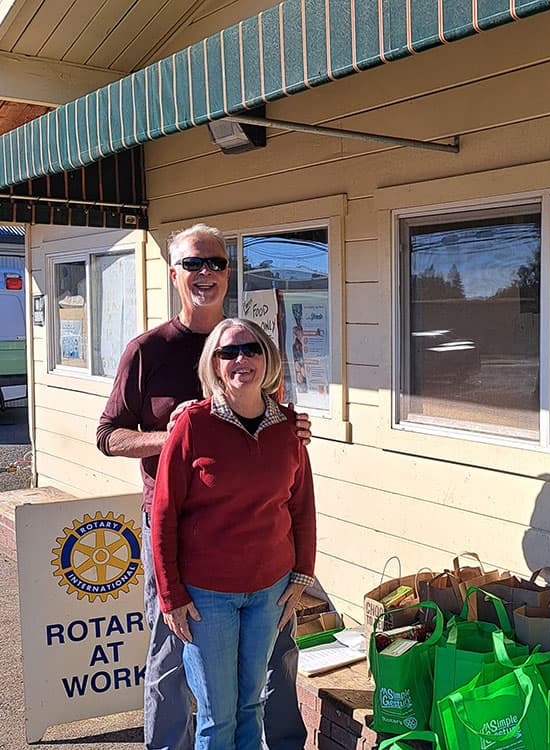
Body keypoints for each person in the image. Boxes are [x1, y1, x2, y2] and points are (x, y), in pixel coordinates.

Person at [96, 223, 311, 750]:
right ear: (174, 274)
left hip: (257, 541)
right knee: (173, 653)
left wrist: (295, 429)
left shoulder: (252, 346)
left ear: (227, 272)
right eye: (193, 264)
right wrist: (167, 442)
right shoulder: (147, 351)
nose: (205, 273)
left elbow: (278, 425)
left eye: (215, 263)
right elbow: (107, 435)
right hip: (175, 528)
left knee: (276, 654)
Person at [151, 318, 316, 750]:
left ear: (268, 359)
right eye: (228, 352)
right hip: (207, 598)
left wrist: (301, 576)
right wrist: (171, 596)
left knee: (252, 708)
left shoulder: (289, 428)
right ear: (214, 364)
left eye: (251, 349)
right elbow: (164, 516)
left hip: (270, 591)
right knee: (215, 718)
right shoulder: (192, 426)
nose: (241, 359)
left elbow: (301, 507)